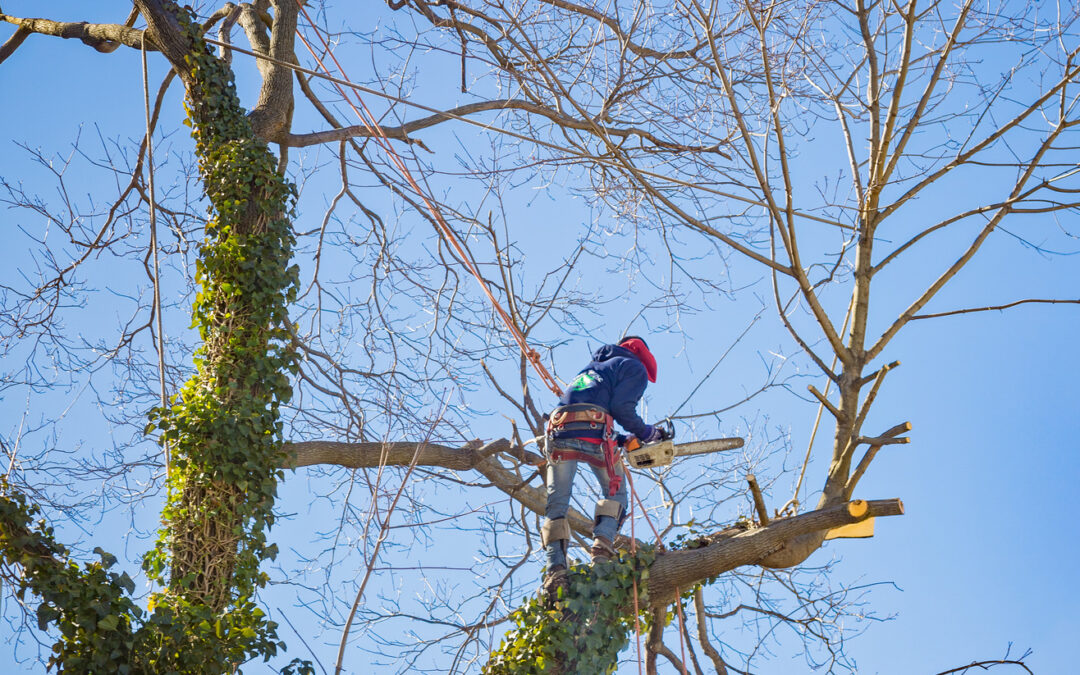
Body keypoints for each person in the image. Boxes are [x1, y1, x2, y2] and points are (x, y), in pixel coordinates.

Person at [541, 335, 670, 599]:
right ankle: (601, 552)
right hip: (593, 431)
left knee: (556, 504)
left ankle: (555, 569)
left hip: (559, 431)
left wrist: (622, 440)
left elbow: (597, 407)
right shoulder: (634, 367)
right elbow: (622, 409)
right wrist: (648, 433)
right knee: (617, 493)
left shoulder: (593, 368)